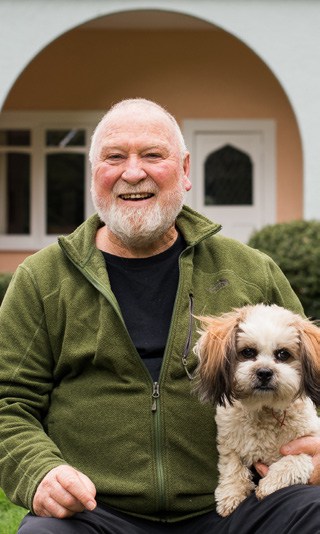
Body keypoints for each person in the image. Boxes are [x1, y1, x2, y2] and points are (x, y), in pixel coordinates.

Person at [0, 98, 320, 534]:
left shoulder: (251, 270)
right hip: (97, 512)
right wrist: (38, 472)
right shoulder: (42, 280)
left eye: (152, 155)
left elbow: (313, 376)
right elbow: (8, 401)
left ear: (185, 170)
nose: (133, 172)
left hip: (239, 503)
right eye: (115, 157)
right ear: (94, 173)